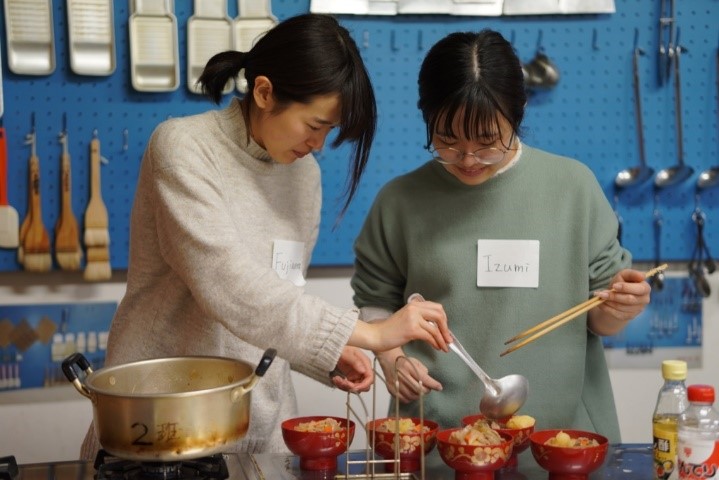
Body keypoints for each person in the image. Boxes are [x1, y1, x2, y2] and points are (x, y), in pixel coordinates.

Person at [79, 13, 453, 459]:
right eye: (314, 125)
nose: (318, 145)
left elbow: (276, 300)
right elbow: (230, 286)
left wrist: (324, 354)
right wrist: (367, 333)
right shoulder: (182, 149)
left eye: (328, 132)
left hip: (262, 430)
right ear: (263, 91)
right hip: (159, 425)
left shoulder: (304, 176)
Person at [351, 29, 651, 444]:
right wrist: (391, 357)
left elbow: (601, 316)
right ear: (427, 118)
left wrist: (623, 304)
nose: (469, 159)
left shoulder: (573, 188)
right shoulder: (400, 200)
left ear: (519, 112)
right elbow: (375, 299)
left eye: (489, 142)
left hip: (564, 443)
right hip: (436, 441)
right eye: (447, 142)